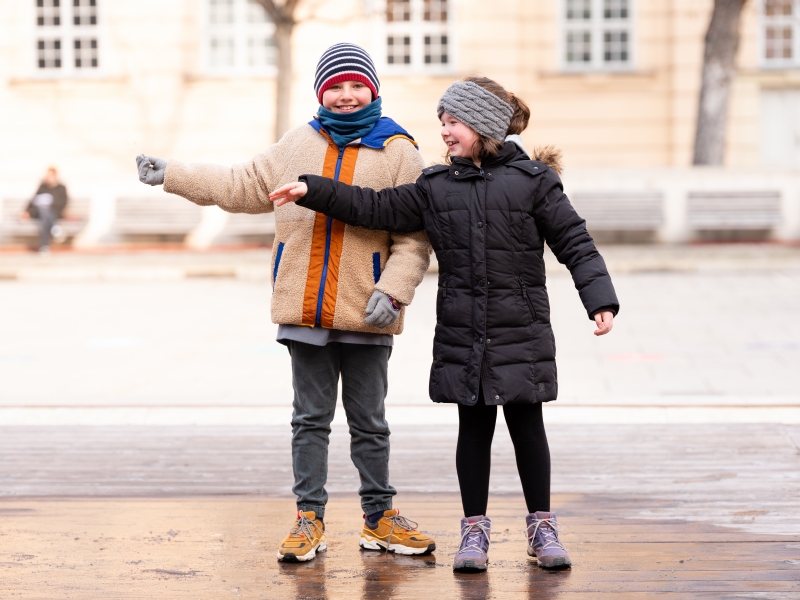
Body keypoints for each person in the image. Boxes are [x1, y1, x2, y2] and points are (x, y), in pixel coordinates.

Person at [270, 76, 620, 572]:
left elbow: (574, 241)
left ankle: (542, 527)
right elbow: (375, 207)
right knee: (472, 429)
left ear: (481, 125)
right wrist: (315, 189)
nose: (445, 132)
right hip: (463, 331)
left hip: (521, 329)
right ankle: (473, 531)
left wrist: (599, 298)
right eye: (442, 123)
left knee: (527, 427)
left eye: (452, 122)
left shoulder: (534, 182)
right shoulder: (436, 187)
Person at [134, 43, 435, 563]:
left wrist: (395, 290)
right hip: (304, 312)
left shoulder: (400, 152)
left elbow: (414, 237)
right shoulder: (297, 144)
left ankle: (380, 518)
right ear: (321, 92)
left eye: (355, 85)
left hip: (368, 311)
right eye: (334, 86)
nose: (345, 95)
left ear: (373, 89)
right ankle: (308, 518)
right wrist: (174, 174)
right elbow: (239, 184)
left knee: (370, 422)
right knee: (310, 420)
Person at [22, 166, 69, 253]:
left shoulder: (61, 188)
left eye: (50, 175)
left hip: (54, 213)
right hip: (39, 214)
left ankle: (44, 247)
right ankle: (55, 229)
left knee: (44, 217)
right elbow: (34, 200)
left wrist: (51, 202)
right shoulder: (43, 187)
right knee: (43, 210)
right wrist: (27, 211)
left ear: (55, 176)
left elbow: (63, 202)